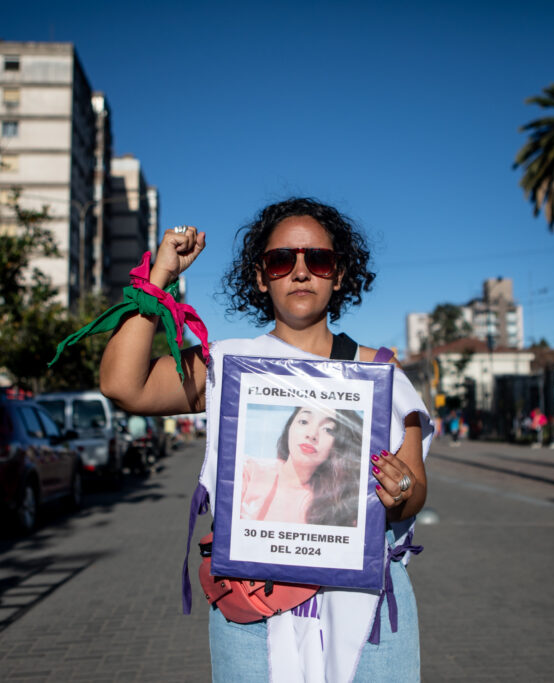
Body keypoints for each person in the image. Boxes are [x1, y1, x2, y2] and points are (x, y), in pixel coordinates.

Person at [100, 197, 432, 681]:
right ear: (261, 276)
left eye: (317, 259)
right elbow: (122, 385)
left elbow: (415, 491)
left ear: (338, 275)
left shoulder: (378, 371)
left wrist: (399, 490)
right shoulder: (227, 366)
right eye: (282, 260)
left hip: (364, 609)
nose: (300, 272)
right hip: (253, 606)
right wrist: (159, 278)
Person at [241, 405, 363, 526]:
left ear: (339, 445)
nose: (311, 434)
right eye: (304, 421)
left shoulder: (339, 505)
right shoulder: (248, 470)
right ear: (290, 427)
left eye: (328, 429)